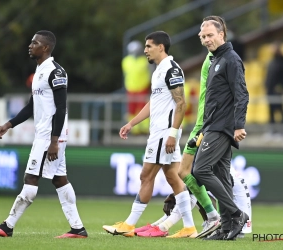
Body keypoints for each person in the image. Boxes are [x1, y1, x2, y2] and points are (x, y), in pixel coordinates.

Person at [0, 30, 87, 239]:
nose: (30, 45)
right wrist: (8, 124)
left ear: (45, 47)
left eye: (34, 43)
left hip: (50, 137)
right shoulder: (39, 72)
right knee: (59, 179)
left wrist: (54, 141)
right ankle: (78, 229)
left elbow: (61, 108)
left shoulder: (56, 72)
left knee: (30, 177)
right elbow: (31, 106)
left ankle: (7, 226)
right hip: (48, 135)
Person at [103, 31, 197, 238]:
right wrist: (131, 123)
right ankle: (189, 227)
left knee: (146, 175)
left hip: (165, 132)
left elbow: (181, 103)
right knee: (173, 177)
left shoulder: (171, 69)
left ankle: (129, 224)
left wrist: (173, 134)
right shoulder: (157, 71)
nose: (145, 50)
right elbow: (154, 103)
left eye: (148, 46)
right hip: (161, 131)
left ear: (161, 47)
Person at [192, 16, 249, 241]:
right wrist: (202, 130)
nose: (206, 40)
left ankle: (236, 214)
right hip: (214, 126)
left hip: (223, 127)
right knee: (221, 175)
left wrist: (239, 125)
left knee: (200, 170)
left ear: (221, 35)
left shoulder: (231, 59)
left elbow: (241, 93)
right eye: (203, 36)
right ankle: (226, 228)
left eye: (210, 35)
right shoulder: (216, 59)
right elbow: (214, 101)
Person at [135, 165, 252, 238]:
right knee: (193, 190)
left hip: (235, 225)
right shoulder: (215, 162)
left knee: (192, 191)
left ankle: (163, 227)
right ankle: (158, 226)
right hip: (239, 219)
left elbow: (192, 195)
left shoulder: (207, 164)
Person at [122, 40, 152, 135]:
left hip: (142, 88)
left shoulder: (145, 61)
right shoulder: (125, 61)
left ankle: (144, 128)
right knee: (131, 109)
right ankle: (133, 129)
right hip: (130, 89)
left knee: (143, 108)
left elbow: (150, 74)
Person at [265, 41, 283, 133]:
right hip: (270, 90)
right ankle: (272, 131)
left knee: (280, 110)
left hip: (278, 90)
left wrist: (281, 87)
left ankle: (282, 131)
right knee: (271, 111)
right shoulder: (271, 62)